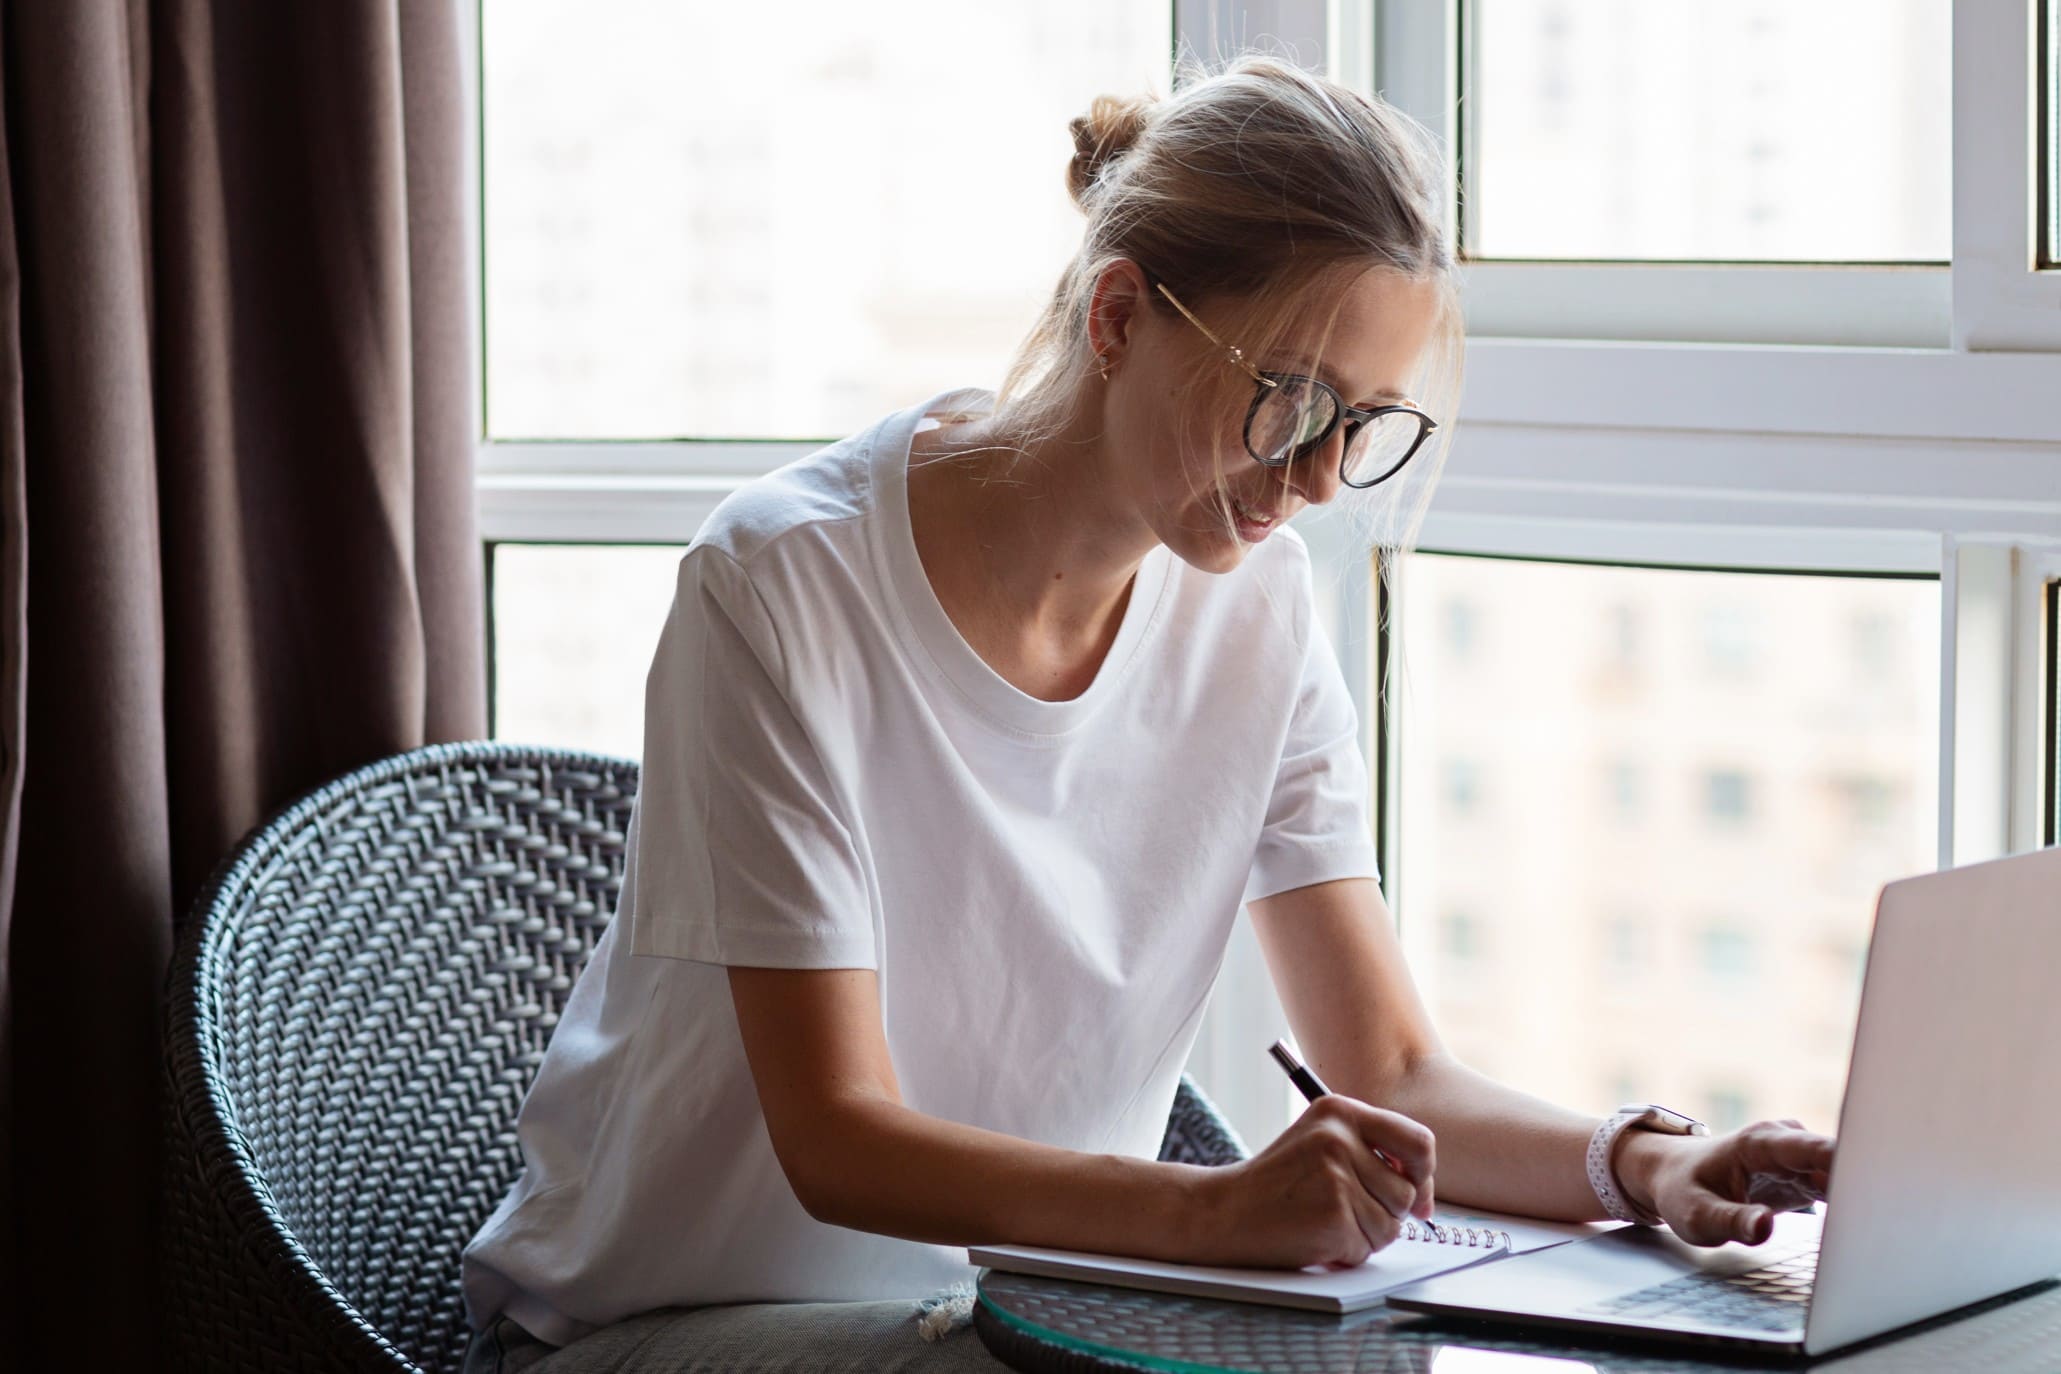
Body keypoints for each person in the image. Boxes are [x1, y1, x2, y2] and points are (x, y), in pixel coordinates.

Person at [457, 53, 1835, 1373]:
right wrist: (1213, 1213)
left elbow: (1397, 1064)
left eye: (1363, 424)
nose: (1313, 480)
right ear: (1117, 317)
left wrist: (1645, 1164)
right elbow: (840, 1141)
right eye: (1288, 401)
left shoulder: (1254, 610)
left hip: (1010, 1317)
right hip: (667, 1330)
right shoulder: (781, 579)